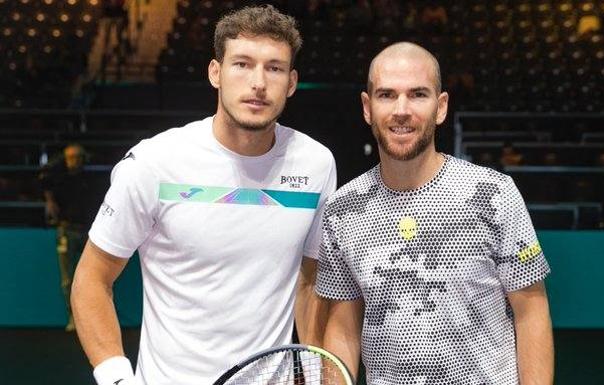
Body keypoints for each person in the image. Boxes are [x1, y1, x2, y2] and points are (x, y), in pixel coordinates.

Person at [71, 5, 336, 385]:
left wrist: (315, 374)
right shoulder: (154, 162)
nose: (258, 82)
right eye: (242, 64)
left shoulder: (316, 165)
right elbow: (92, 279)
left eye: (274, 68)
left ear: (291, 82)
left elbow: (308, 283)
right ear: (216, 73)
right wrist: (116, 378)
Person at [315, 42, 553, 385]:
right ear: (367, 108)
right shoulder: (342, 209)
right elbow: (343, 328)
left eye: (417, 95)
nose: (401, 109)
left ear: (440, 107)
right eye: (386, 95)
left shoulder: (493, 193)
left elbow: (531, 313)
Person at [39, 143, 94, 331]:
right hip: (66, 230)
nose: (74, 161)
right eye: (70, 157)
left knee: (94, 277)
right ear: (64, 159)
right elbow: (42, 177)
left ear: (84, 159)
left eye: (78, 157)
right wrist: (50, 201)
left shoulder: (91, 180)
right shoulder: (58, 179)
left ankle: (96, 319)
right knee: (67, 279)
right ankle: (73, 317)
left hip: (90, 233)